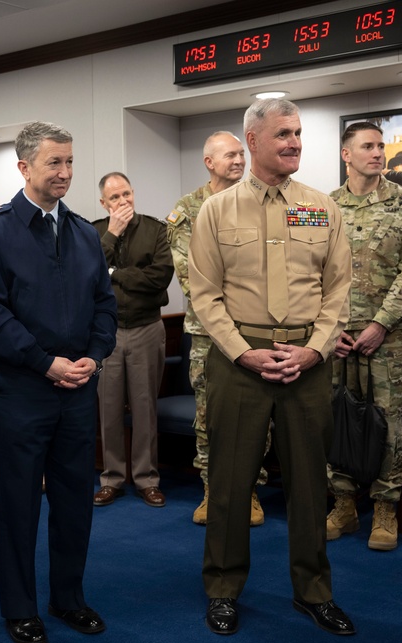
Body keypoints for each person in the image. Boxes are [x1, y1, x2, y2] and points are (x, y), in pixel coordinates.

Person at [190, 98, 354, 637]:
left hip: (307, 361)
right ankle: (222, 588)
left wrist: (315, 350)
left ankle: (314, 592)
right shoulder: (216, 211)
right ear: (253, 140)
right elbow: (204, 293)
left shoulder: (321, 208)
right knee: (231, 482)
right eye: (284, 133)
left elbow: (339, 289)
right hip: (240, 361)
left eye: (299, 133)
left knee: (309, 484)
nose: (295, 143)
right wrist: (242, 351)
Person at [0, 121, 117, 643]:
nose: (65, 172)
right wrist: (44, 362)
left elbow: (104, 305)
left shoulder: (83, 232)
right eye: (54, 162)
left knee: (75, 501)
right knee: (18, 505)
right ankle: (20, 607)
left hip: (78, 390)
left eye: (70, 161)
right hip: (22, 391)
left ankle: (68, 598)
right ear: (24, 166)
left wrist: (95, 355)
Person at [326, 122, 402, 551]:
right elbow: (310, 272)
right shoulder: (325, 206)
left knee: (386, 420)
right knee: (336, 418)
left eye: (381, 146)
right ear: (346, 155)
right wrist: (328, 328)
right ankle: (343, 504)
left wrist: (380, 324)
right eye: (368, 146)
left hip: (386, 336)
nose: (378, 153)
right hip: (335, 336)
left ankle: (385, 508)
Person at [166, 131, 267, 526]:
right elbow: (192, 276)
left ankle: (251, 491)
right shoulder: (187, 210)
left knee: (256, 415)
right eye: (230, 155)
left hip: (256, 330)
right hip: (208, 333)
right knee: (209, 415)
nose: (239, 160)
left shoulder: (260, 201)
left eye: (242, 153)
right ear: (209, 162)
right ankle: (212, 490)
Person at [92, 172, 173, 508]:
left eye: (126, 194)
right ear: (104, 203)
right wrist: (112, 235)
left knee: (144, 408)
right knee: (108, 408)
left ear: (133, 193)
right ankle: (111, 478)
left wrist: (114, 274)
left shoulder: (156, 230)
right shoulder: (95, 232)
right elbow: (87, 273)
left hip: (146, 327)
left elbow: (159, 278)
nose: (122, 201)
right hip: (106, 333)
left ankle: (146, 479)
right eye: (114, 197)